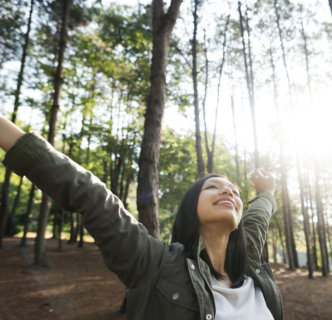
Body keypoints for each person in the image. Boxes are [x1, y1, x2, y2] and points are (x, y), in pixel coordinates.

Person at [0, 115, 283, 320]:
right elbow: (89, 193)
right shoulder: (155, 263)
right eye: (212, 186)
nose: (228, 191)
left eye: (234, 191)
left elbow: (258, 215)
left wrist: (267, 192)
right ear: (189, 208)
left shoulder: (250, 262)